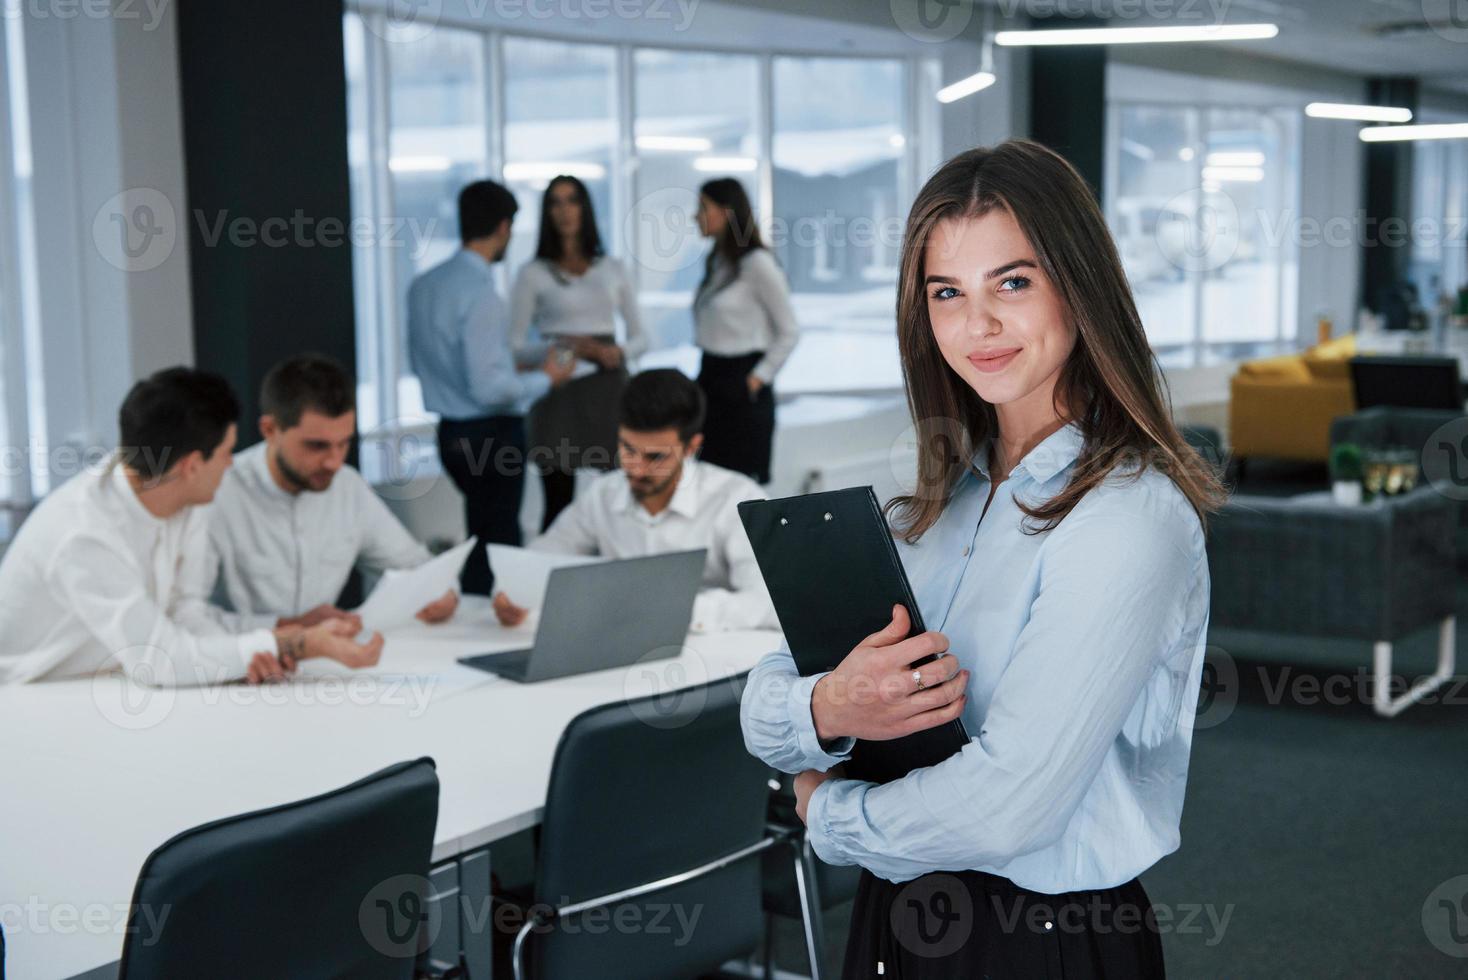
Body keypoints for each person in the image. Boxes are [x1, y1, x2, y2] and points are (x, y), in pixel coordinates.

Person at [740, 139, 1224, 977]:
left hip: (1036, 939)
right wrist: (830, 707)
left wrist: (831, 813)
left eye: (1013, 282)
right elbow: (762, 701)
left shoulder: (1126, 518)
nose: (979, 326)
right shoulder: (939, 502)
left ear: (1079, 285)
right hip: (896, 914)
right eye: (947, 293)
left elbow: (1011, 809)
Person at [0, 367, 385, 687]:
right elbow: (158, 660)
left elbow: (186, 616)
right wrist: (296, 643)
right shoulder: (83, 533)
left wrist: (257, 652)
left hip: (102, 684)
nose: (231, 464)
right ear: (192, 465)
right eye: (225, 453)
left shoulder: (186, 500)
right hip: (32, 699)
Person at [202, 353, 484, 630]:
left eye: (343, 443)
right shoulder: (216, 493)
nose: (334, 462)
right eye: (317, 446)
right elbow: (185, 618)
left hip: (325, 666)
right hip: (238, 667)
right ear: (270, 429)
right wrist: (285, 628)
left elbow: (415, 565)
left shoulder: (348, 488)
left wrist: (442, 593)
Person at [407, 179, 576, 595]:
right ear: (503, 227)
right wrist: (548, 378)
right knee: (499, 548)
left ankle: (474, 629)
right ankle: (496, 639)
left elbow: (443, 360)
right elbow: (490, 389)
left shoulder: (424, 285)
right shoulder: (482, 294)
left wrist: (530, 355)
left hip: (451, 434)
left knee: (480, 537)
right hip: (491, 435)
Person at [525, 368, 776, 634]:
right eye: (628, 449)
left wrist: (671, 610)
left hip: (713, 658)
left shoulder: (739, 499)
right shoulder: (604, 494)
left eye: (655, 457)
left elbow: (768, 601)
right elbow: (542, 557)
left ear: (691, 447)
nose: (637, 469)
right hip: (621, 653)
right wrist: (518, 593)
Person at [511, 175, 650, 531]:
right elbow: (514, 347)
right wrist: (569, 345)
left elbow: (641, 337)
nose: (564, 210)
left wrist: (614, 352)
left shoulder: (613, 268)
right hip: (557, 391)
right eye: (555, 203)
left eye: (572, 200)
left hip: (607, 391)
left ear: (584, 207)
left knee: (622, 501)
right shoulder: (532, 273)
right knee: (557, 506)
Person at [692, 177, 799, 485]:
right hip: (711, 380)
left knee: (739, 493)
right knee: (708, 487)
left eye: (703, 208)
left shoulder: (757, 263)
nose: (695, 216)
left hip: (741, 386)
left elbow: (789, 331)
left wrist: (755, 379)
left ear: (726, 212)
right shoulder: (720, 263)